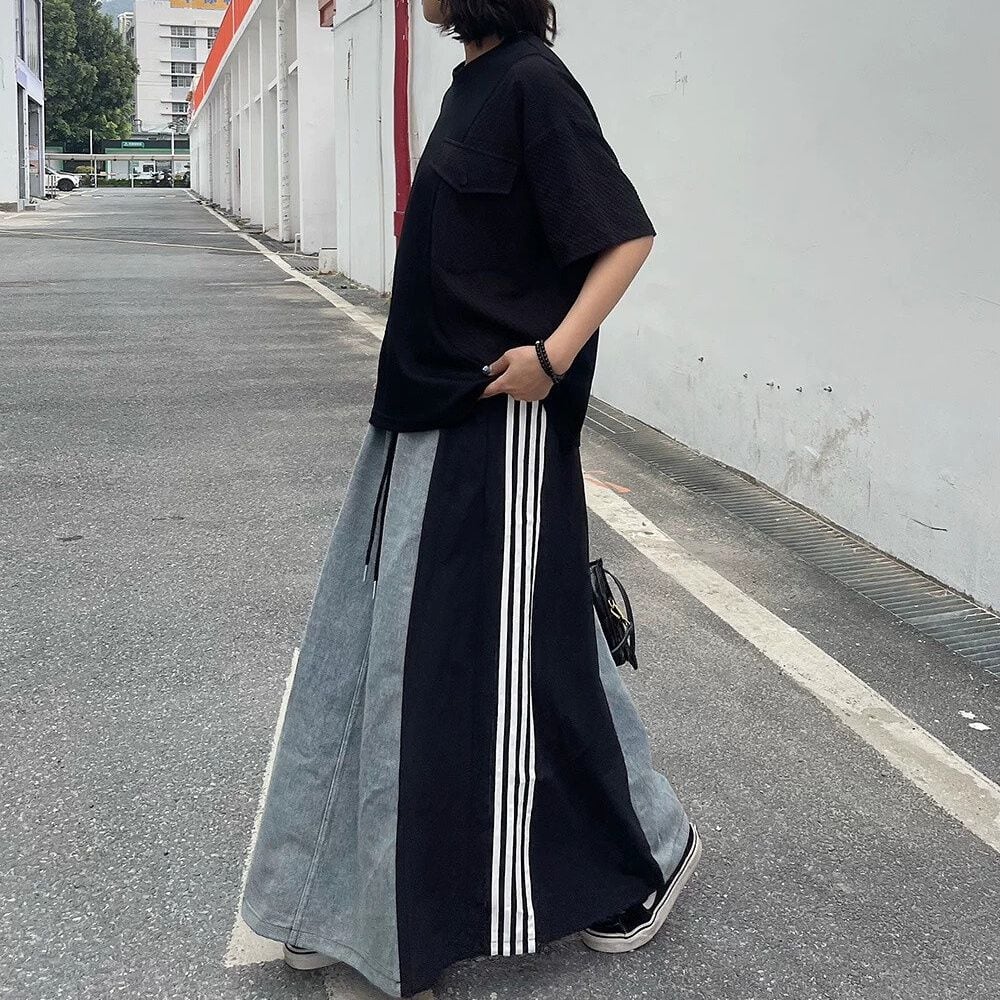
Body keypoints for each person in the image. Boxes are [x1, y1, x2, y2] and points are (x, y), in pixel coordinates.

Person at [240, 2, 700, 996]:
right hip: (420, 415)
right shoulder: (474, 84)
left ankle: (639, 855)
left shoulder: (534, 84)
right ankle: (347, 892)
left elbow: (624, 237)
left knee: (475, 659)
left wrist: (551, 357)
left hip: (496, 422)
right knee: (411, 645)